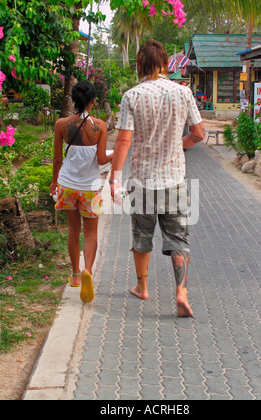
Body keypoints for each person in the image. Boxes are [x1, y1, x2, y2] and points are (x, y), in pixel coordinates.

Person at [109, 40, 205, 317]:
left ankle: (143, 288)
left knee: (141, 238)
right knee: (179, 239)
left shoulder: (132, 96)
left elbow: (124, 141)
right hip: (175, 179)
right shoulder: (183, 93)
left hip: (141, 182)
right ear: (165, 64)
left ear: (139, 64)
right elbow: (199, 134)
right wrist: (178, 145)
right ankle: (181, 293)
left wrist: (115, 179)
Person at [50, 81, 113, 303]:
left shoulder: (61, 124)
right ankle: (87, 270)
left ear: (74, 100)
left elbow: (58, 159)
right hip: (90, 189)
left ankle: (75, 276)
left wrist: (53, 182)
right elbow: (102, 159)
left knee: (73, 229)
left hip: (67, 185)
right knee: (91, 233)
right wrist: (118, 154)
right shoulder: (100, 125)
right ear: (93, 102)